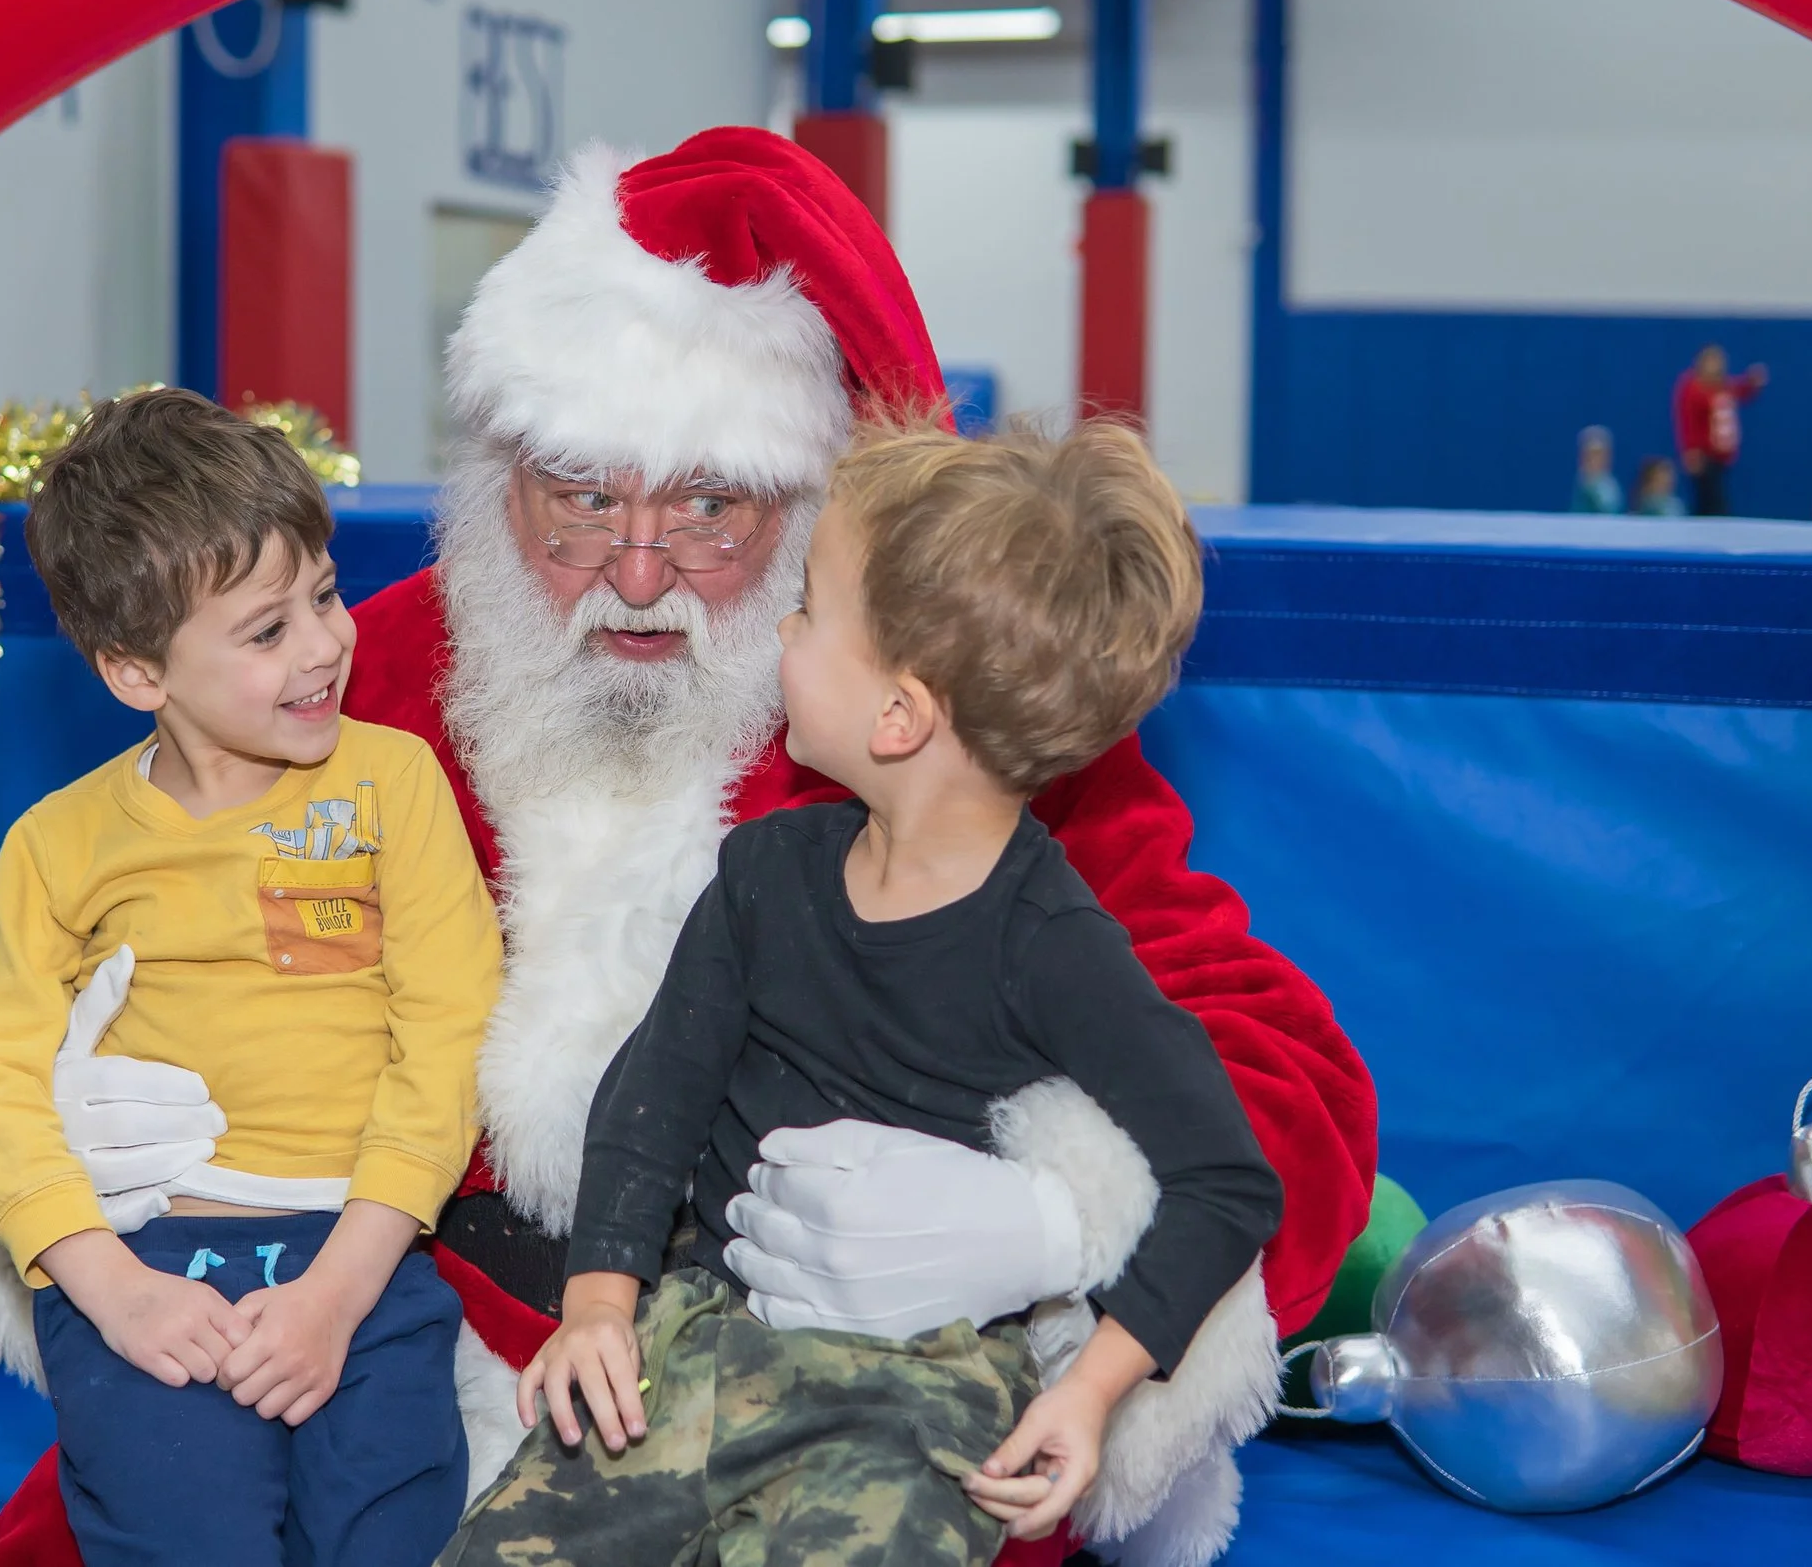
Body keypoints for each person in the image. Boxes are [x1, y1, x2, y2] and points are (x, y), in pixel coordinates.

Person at [0, 128, 1377, 1567]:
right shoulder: (347, 678)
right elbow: (75, 933)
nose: (634, 574)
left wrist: (1055, 1221)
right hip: (381, 1332)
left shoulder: (947, 708)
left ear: (806, 504)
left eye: (708, 507)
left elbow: (1280, 1069)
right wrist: (72, 1160)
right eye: (581, 496)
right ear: (501, 471)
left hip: (826, 1369)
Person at [445, 419, 1282, 1567]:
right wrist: (597, 1299)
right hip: (698, 1335)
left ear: (900, 713)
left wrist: (1091, 1386)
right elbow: (655, 1092)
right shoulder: (763, 873)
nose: (779, 630)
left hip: (914, 1396)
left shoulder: (1053, 947)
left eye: (808, 611)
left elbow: (1225, 1181)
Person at [0, 388, 503, 1567]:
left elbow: (449, 1032)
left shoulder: (393, 781)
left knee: (394, 1527)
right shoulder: (57, 842)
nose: (323, 645)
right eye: (264, 631)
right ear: (137, 672)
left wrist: (339, 1289)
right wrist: (110, 1285)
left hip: (361, 1253)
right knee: (180, 1526)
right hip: (148, 1263)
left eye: (325, 595)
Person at [1673, 344, 1766, 517]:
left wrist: (1752, 383)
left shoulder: (1723, 386)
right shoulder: (1693, 388)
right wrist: (1691, 449)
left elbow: (1740, 391)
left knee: (1713, 497)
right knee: (1711, 499)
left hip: (1720, 455)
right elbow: (1688, 420)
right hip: (1703, 454)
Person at [1571, 426, 1621, 513]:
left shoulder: (1609, 489)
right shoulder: (1581, 483)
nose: (1592, 460)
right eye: (1588, 455)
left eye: (1598, 455)